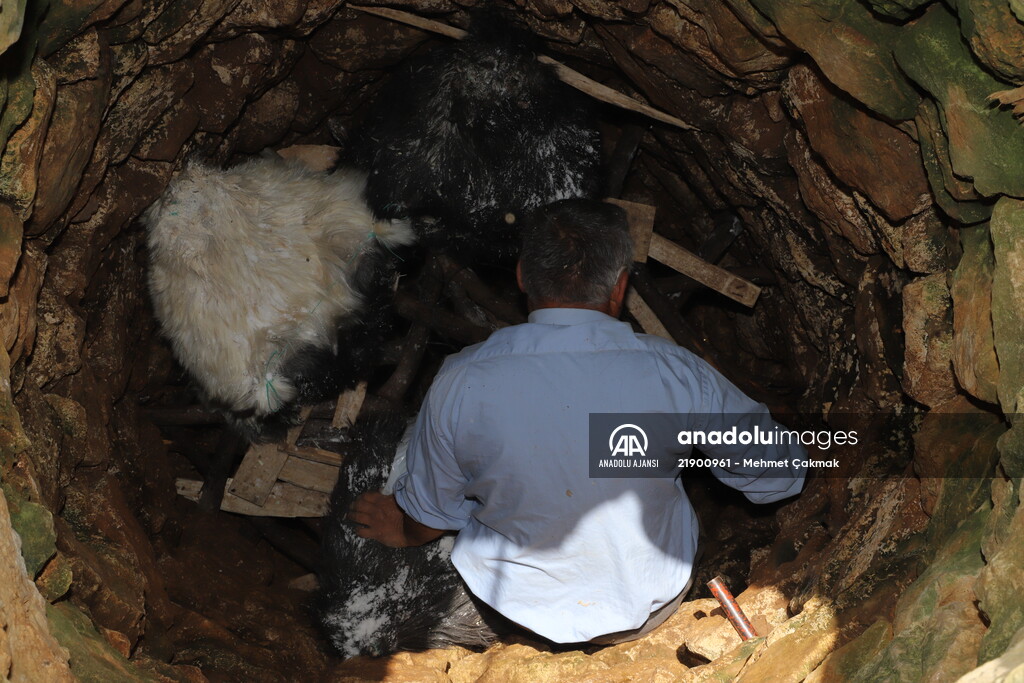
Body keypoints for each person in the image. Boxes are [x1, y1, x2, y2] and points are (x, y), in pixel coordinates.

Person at [348, 199, 806, 645]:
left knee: (423, 446)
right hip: (651, 603)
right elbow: (779, 476)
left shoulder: (460, 379)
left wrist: (405, 529)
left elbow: (432, 516)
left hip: (517, 609)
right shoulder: (677, 373)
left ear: (523, 276)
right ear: (620, 286)